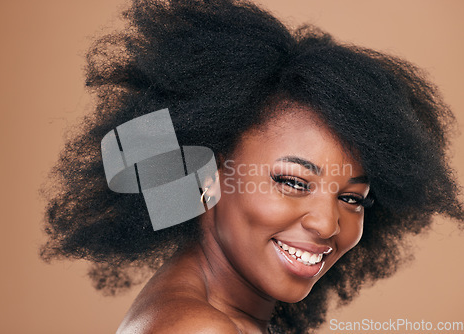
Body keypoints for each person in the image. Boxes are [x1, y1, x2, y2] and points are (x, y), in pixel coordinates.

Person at [39, 0, 463, 333]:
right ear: (205, 176)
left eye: (352, 198)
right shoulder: (201, 328)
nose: (328, 224)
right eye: (294, 182)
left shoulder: (226, 313)